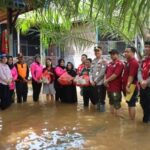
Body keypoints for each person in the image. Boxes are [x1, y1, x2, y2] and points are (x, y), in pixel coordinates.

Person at [104, 49, 124, 116]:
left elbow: (115, 75)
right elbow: (105, 73)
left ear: (117, 55)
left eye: (114, 54)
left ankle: (118, 121)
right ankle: (112, 119)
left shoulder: (120, 63)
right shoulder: (109, 64)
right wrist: (105, 81)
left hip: (116, 88)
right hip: (109, 87)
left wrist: (106, 81)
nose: (112, 55)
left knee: (117, 103)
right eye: (111, 54)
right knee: (111, 102)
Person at [122, 46, 139, 120]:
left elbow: (131, 76)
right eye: (125, 51)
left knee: (132, 104)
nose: (125, 53)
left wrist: (127, 86)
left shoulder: (134, 62)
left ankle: (132, 122)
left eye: (127, 52)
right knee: (129, 103)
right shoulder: (128, 62)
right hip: (128, 86)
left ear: (133, 52)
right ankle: (131, 120)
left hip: (131, 86)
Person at [90, 46, 107, 112]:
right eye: (95, 51)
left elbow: (102, 73)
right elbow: (90, 71)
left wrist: (95, 81)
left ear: (101, 52)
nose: (97, 52)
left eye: (98, 51)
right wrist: (91, 80)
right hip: (93, 83)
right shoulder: (93, 60)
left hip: (100, 83)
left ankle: (102, 115)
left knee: (101, 100)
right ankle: (97, 113)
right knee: (96, 99)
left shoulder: (104, 61)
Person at [138, 41, 150, 123]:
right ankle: (146, 119)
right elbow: (139, 71)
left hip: (148, 86)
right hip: (142, 86)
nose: (146, 48)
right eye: (145, 46)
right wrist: (141, 81)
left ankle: (146, 120)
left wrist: (146, 82)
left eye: (148, 46)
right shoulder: (143, 60)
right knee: (142, 102)